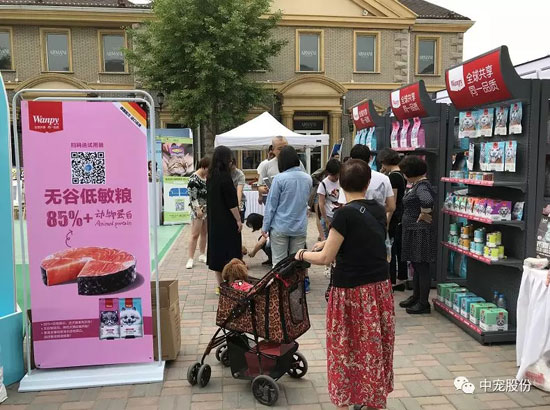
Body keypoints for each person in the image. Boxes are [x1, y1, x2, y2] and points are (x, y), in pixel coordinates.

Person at [295, 159, 394, 410]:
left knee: (345, 349)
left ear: (339, 184)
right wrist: (326, 243)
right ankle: (371, 398)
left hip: (350, 293)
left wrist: (303, 254)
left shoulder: (343, 214)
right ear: (368, 183)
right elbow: (364, 239)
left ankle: (347, 399)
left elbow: (325, 258)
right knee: (372, 347)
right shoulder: (377, 209)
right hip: (378, 290)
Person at [262, 146, 312, 287]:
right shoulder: (307, 178)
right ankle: (295, 291)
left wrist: (265, 227)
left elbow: (271, 205)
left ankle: (279, 291)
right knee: (296, 262)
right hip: (299, 226)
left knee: (278, 263)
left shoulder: (279, 179)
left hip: (280, 226)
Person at [397, 155, 436, 314]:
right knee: (416, 265)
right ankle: (416, 296)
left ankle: (423, 303)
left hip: (419, 231)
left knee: (421, 266)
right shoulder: (417, 185)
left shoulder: (422, 186)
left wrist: (423, 214)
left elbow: (427, 201)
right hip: (413, 231)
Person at [207, 146, 243, 295]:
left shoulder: (210, 177)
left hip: (214, 222)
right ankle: (233, 285)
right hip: (227, 223)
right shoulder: (225, 178)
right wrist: (238, 219)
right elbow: (232, 203)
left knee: (217, 254)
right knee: (231, 254)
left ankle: (221, 286)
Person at [337, 145, 396, 226]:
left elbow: (344, 205)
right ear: (370, 158)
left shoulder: (347, 177)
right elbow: (391, 206)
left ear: (351, 159)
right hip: (377, 224)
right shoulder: (384, 178)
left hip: (354, 225)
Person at [378, 148, 407, 291]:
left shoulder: (393, 177)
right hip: (400, 215)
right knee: (397, 248)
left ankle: (392, 280)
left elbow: (392, 203)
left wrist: (387, 222)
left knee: (390, 249)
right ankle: (400, 278)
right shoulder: (400, 174)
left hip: (394, 217)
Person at [258, 136, 305, 203]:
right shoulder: (267, 165)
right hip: (275, 202)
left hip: (293, 201)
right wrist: (265, 189)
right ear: (273, 150)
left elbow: (304, 181)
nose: (283, 151)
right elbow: (260, 186)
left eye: (285, 147)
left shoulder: (297, 163)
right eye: (280, 149)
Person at [186, 157, 210, 269]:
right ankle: (190, 258)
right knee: (195, 234)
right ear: (204, 167)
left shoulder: (207, 178)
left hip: (207, 209)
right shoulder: (193, 179)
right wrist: (197, 210)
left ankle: (202, 254)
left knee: (204, 232)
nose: (209, 171)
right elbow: (192, 197)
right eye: (208, 168)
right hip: (197, 210)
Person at [230, 157, 247, 222]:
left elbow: (239, 190)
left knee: (239, 220)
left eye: (233, 167)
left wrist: (238, 204)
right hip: (228, 199)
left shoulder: (240, 174)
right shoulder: (223, 173)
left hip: (239, 199)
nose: (232, 170)